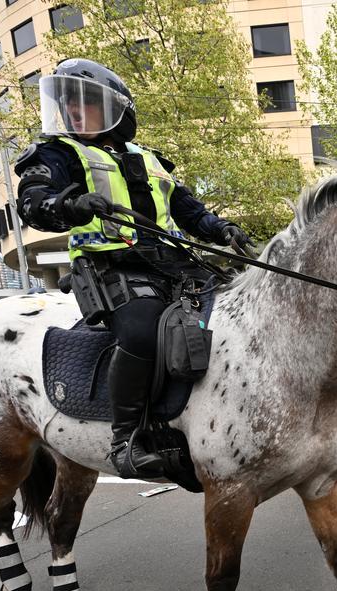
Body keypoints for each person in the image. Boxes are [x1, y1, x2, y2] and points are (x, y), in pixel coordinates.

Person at [13, 58, 249, 478]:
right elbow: (33, 202)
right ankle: (126, 439)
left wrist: (224, 229)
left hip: (172, 264)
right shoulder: (57, 152)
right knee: (141, 332)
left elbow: (189, 211)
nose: (72, 111)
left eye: (83, 103)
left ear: (116, 108)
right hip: (111, 265)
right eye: (67, 104)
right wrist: (69, 204)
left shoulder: (151, 159)